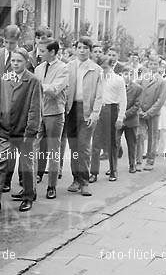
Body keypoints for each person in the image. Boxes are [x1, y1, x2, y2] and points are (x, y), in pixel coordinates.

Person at [0, 48, 41, 214]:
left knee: (26, 165)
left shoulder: (33, 81)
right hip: (6, 130)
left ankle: (28, 196)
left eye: (19, 61)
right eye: (13, 61)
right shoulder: (5, 79)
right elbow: (0, 103)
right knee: (0, 163)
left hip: (24, 131)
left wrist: (30, 131)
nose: (15, 64)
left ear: (26, 62)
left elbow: (35, 108)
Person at [65, 37, 103, 196]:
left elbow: (100, 95)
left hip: (86, 109)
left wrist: (95, 113)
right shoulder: (68, 66)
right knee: (74, 146)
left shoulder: (96, 69)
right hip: (71, 109)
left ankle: (84, 181)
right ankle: (75, 179)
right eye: (79, 47)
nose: (82, 50)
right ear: (75, 49)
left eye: (85, 48)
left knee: (84, 147)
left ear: (89, 50)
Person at [32, 38, 68, 197]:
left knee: (53, 150)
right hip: (39, 112)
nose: (39, 54)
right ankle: (30, 187)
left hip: (55, 114)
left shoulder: (64, 68)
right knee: (33, 149)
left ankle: (51, 186)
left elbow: (55, 90)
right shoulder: (38, 68)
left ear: (52, 52)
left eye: (42, 51)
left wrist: (37, 86)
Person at [0, 25, 21, 193]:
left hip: (12, 106)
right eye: (7, 42)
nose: (9, 46)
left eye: (12, 43)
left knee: (11, 146)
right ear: (3, 41)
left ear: (18, 42)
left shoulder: (22, 56)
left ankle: (7, 179)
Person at [90, 56, 126, 182]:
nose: (104, 70)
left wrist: (120, 117)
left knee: (112, 143)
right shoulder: (97, 78)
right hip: (99, 110)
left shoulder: (118, 79)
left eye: (106, 67)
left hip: (112, 110)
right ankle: (93, 173)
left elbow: (123, 100)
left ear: (112, 66)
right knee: (95, 143)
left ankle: (113, 170)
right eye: (101, 67)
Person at [137, 58, 166, 171]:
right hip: (141, 112)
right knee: (139, 135)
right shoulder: (142, 79)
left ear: (159, 66)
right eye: (151, 64)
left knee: (152, 137)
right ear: (148, 65)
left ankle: (150, 160)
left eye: (155, 64)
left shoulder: (161, 81)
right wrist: (139, 109)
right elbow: (137, 92)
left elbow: (161, 99)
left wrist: (149, 112)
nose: (153, 66)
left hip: (153, 113)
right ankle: (138, 160)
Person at [116, 66, 143, 173]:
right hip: (118, 119)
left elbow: (137, 106)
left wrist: (124, 114)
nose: (128, 76)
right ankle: (113, 167)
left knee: (132, 143)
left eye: (131, 74)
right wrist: (119, 115)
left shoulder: (138, 88)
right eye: (125, 74)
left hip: (130, 119)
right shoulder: (117, 86)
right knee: (115, 142)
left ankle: (132, 164)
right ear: (121, 75)